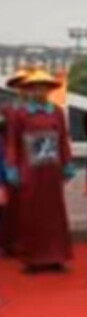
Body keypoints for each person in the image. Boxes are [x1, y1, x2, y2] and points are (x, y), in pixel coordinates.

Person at [2, 67, 74, 272]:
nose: (39, 91)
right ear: (28, 90)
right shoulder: (19, 113)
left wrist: (68, 163)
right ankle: (32, 259)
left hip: (52, 171)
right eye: (34, 88)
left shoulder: (57, 112)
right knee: (30, 213)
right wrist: (11, 167)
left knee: (54, 213)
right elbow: (11, 143)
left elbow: (63, 140)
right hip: (29, 170)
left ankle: (57, 256)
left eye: (43, 88)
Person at [1, 65, 30, 257]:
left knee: (27, 205)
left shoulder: (46, 109)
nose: (24, 89)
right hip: (6, 158)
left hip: (31, 162)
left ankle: (25, 243)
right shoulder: (6, 108)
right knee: (6, 205)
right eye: (20, 86)